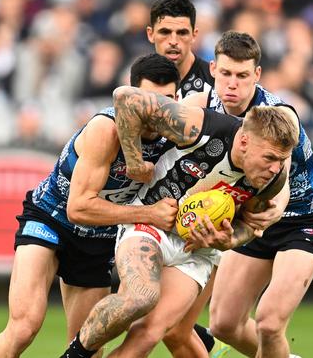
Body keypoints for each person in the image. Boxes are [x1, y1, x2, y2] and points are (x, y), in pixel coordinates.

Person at [61, 84, 300, 358]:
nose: (274, 169)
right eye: (269, 158)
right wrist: (135, 162)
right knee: (140, 297)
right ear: (244, 142)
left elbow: (251, 224)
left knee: (149, 334)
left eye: (281, 161)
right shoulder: (201, 128)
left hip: (197, 253)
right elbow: (125, 98)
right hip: (151, 222)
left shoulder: (273, 178)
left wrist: (229, 240)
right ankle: (75, 355)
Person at [0, 53, 181, 358]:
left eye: (166, 100)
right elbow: (79, 208)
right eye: (149, 100)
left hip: (99, 237)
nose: (157, 110)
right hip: (51, 218)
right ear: (132, 98)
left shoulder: (179, 132)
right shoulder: (106, 129)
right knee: (24, 327)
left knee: (89, 344)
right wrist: (149, 214)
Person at [186, 31, 313, 358]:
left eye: (242, 76)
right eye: (225, 74)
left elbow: (277, 180)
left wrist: (266, 213)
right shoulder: (200, 105)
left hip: (301, 218)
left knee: (269, 324)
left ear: (257, 75)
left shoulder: (279, 118)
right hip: (250, 214)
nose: (232, 84)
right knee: (224, 324)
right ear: (212, 70)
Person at [148, 0, 214, 99]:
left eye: (182, 33)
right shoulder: (141, 79)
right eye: (165, 32)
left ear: (194, 35)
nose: (173, 41)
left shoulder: (213, 82)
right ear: (150, 34)